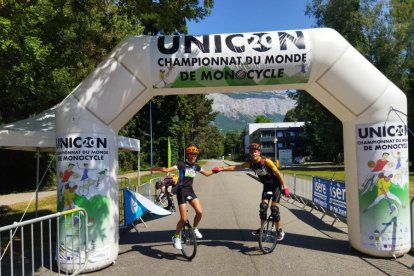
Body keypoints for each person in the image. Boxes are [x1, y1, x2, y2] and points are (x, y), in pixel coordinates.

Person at [213, 143, 289, 241]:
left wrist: (285, 187)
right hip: (267, 186)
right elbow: (236, 168)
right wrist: (220, 169)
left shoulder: (266, 161)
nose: (254, 154)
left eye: (256, 152)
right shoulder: (251, 163)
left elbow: (279, 174)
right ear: (250, 153)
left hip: (276, 186)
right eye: (252, 152)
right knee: (263, 208)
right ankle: (263, 230)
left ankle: (280, 231)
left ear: (259, 152)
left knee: (274, 209)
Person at [150, 143, 219, 250]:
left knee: (199, 212)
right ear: (188, 155)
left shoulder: (196, 166)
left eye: (195, 154)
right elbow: (167, 169)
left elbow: (206, 173)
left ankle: (195, 228)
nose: (194, 156)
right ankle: (176, 237)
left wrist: (215, 171)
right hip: (181, 191)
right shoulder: (181, 164)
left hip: (190, 191)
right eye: (192, 154)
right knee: (183, 219)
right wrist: (154, 168)